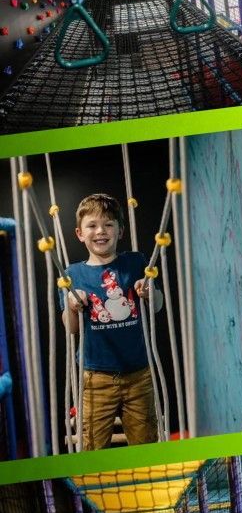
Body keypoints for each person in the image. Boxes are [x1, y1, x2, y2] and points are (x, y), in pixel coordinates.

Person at [62, 193, 163, 451]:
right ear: (79, 233)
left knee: (147, 445)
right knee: (92, 448)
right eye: (92, 225)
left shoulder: (136, 262)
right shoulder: (72, 274)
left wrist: (151, 293)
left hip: (139, 374)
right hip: (96, 379)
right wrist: (73, 306)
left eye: (108, 224)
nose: (101, 231)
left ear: (120, 231)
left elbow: (158, 306)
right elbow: (71, 328)